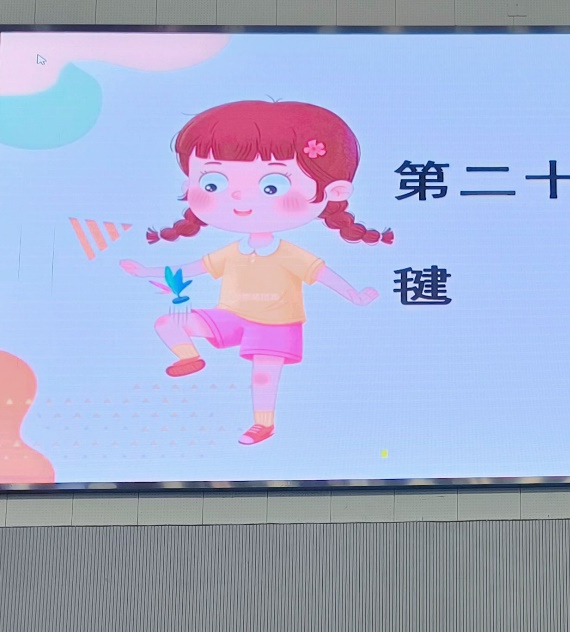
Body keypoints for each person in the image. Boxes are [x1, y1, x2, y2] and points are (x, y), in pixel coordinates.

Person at [121, 101, 389, 445]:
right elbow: (192, 269)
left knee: (264, 376)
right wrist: (147, 271)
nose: (238, 196)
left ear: (334, 192)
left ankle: (263, 424)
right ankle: (189, 357)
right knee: (168, 323)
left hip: (276, 323)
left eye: (272, 186)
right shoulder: (233, 251)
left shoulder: (289, 253)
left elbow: (323, 274)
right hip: (231, 316)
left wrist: (355, 295)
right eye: (212, 183)